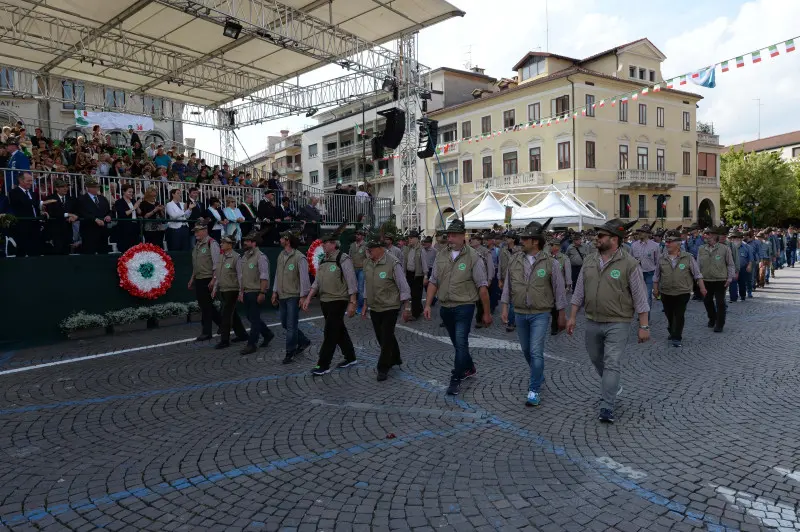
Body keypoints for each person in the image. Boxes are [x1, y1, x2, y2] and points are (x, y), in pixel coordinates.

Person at [567, 218, 649, 424]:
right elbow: (579, 291)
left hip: (618, 322)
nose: (597, 238)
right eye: (597, 235)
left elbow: (640, 297)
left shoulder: (630, 264)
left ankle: (607, 405)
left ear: (614, 239)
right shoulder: (589, 261)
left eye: (601, 236)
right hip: (593, 320)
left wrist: (644, 326)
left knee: (612, 363)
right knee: (596, 358)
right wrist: (572, 316)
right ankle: (611, 385)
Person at [501, 220, 567, 407]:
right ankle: (538, 374)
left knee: (536, 351)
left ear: (535, 241)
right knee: (526, 351)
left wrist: (562, 314)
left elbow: (559, 290)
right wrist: (505, 306)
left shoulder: (550, 263)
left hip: (541, 313)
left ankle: (534, 389)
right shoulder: (515, 260)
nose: (521, 241)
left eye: (525, 238)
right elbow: (508, 285)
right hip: (520, 312)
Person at [424, 218, 491, 396]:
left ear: (464, 236)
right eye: (449, 235)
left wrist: (486, 312)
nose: (450, 239)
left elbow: (482, 287)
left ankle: (456, 378)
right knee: (457, 344)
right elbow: (433, 281)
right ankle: (469, 367)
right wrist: (428, 304)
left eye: (454, 235)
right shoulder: (441, 255)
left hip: (464, 306)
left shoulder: (473, 257)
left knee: (461, 342)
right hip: (445, 307)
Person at [302, 231, 358, 375]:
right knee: (339, 330)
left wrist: (352, 301)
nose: (323, 246)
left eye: (325, 243)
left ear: (333, 244)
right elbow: (317, 282)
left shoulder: (343, 258)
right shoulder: (323, 260)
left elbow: (351, 281)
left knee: (330, 332)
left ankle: (323, 364)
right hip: (325, 300)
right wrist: (308, 298)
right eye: (322, 243)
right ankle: (351, 357)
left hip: (338, 300)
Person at [362, 230, 411, 381]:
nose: (368, 252)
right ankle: (395, 356)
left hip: (390, 306)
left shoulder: (393, 262)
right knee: (381, 336)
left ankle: (383, 367)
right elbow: (367, 284)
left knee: (386, 335)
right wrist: (364, 303)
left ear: (380, 248)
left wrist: (407, 307)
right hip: (375, 306)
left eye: (371, 249)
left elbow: (403, 286)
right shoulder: (367, 262)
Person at [652, 230, 705, 347]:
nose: (667, 244)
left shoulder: (688, 257)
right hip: (666, 291)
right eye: (666, 242)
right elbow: (656, 276)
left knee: (679, 314)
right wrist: (655, 289)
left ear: (678, 243)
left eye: (670, 242)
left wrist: (702, 288)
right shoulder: (661, 258)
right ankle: (672, 328)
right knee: (669, 314)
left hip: (683, 291)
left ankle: (677, 336)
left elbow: (697, 274)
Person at [272, 229, 312, 364]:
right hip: (282, 295)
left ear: (287, 240)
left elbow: (304, 279)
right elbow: (277, 274)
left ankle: (290, 352)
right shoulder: (281, 255)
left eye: (282, 238)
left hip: (294, 296)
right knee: (285, 323)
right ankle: (304, 341)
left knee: (291, 325)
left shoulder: (299, 257)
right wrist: (274, 291)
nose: (280, 240)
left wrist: (303, 296)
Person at [237, 230, 275, 355]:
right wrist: (241, 291)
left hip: (256, 291)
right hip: (247, 291)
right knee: (250, 316)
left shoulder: (261, 257)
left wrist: (262, 293)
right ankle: (268, 334)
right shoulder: (244, 256)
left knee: (254, 318)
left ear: (254, 243)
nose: (245, 243)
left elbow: (264, 276)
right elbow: (242, 276)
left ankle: (252, 344)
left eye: (247, 241)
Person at [210, 236, 249, 348]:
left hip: (232, 289)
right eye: (221, 242)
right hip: (223, 288)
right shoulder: (221, 257)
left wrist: (241, 291)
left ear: (230, 245)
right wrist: (215, 288)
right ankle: (242, 334)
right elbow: (217, 274)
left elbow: (240, 275)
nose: (221, 244)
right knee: (232, 313)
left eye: (223, 242)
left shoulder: (237, 257)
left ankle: (224, 340)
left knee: (226, 314)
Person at [188, 222, 222, 341]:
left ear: (205, 230)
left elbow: (216, 263)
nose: (196, 233)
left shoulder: (211, 243)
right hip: (199, 278)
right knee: (206, 305)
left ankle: (207, 332)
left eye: (198, 231)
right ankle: (223, 324)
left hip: (208, 278)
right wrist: (192, 278)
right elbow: (196, 264)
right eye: (195, 231)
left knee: (206, 306)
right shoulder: (197, 245)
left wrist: (214, 279)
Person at [698, 226, 735, 333]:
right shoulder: (701, 249)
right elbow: (698, 265)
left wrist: (729, 278)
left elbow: (730, 264)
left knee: (720, 303)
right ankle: (712, 318)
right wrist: (698, 279)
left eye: (708, 234)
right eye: (705, 234)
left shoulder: (724, 249)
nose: (706, 236)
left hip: (720, 280)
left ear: (714, 236)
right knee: (707, 301)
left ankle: (720, 324)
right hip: (706, 280)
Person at [629, 223, 660, 318]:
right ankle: (640, 313)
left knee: (647, 296)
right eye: (639, 232)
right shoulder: (634, 245)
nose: (640, 234)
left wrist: (657, 276)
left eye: (642, 232)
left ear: (647, 234)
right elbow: (630, 259)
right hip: (638, 273)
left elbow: (658, 261)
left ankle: (645, 316)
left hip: (650, 273)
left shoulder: (655, 246)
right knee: (638, 296)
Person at [8, 172, 42, 256]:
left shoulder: (32, 193)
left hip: (35, 226)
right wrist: (40, 202)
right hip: (22, 226)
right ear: (20, 180)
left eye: (31, 181)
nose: (31, 183)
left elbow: (34, 207)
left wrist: (41, 211)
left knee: (35, 250)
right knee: (22, 251)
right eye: (28, 181)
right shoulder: (14, 192)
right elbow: (24, 203)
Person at [77, 177, 112, 254]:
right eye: (94, 187)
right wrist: (94, 219)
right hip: (89, 232)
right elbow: (82, 212)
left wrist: (109, 216)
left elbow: (109, 211)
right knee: (89, 254)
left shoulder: (102, 198)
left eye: (97, 186)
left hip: (102, 232)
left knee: (103, 254)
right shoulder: (82, 199)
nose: (97, 188)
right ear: (88, 188)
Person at [42, 178, 76, 255]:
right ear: (57, 188)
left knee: (66, 254)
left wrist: (74, 216)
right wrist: (67, 214)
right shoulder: (50, 199)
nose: (65, 188)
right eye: (62, 187)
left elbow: (76, 211)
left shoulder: (71, 199)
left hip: (67, 232)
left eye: (66, 186)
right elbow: (52, 213)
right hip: (55, 233)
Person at [469, 233, 495, 329]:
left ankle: (480, 319)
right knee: (477, 301)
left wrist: (489, 279)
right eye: (471, 239)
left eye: (474, 239)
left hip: (483, 279)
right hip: (473, 280)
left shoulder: (485, 251)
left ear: (479, 241)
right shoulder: (470, 251)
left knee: (481, 301)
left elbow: (490, 266)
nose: (471, 241)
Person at [547, 235, 572, 335]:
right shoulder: (547, 258)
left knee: (557, 307)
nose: (549, 247)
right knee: (552, 307)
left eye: (551, 245)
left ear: (557, 247)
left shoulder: (564, 258)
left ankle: (555, 326)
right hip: (548, 286)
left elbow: (568, 272)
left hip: (559, 287)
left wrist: (568, 285)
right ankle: (557, 322)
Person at [402, 230, 425, 320]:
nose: (409, 240)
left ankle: (415, 314)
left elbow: (424, 263)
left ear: (416, 239)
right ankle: (419, 309)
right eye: (409, 238)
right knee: (412, 293)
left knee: (416, 294)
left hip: (418, 274)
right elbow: (405, 261)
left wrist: (426, 275)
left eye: (411, 238)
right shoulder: (407, 248)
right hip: (409, 273)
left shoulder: (421, 249)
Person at [113, 184, 141, 253]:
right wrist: (133, 207)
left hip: (135, 226)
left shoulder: (133, 201)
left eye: (132, 192)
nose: (131, 193)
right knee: (125, 247)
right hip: (125, 227)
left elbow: (139, 212)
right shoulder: (119, 202)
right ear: (124, 192)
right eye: (129, 192)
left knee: (135, 247)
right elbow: (123, 214)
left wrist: (137, 206)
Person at [730, 230, 753, 303]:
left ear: (741, 239)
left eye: (738, 238)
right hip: (732, 268)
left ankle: (742, 296)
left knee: (742, 283)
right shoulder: (728, 247)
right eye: (735, 238)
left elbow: (750, 258)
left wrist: (749, 265)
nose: (737, 240)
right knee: (732, 283)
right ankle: (733, 298)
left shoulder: (747, 247)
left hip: (743, 268)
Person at [349, 229, 368, 314]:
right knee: (354, 288)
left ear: (363, 236)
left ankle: (360, 307)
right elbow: (349, 257)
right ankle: (354, 304)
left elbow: (368, 258)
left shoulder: (365, 246)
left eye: (359, 234)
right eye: (356, 234)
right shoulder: (352, 245)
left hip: (362, 269)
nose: (357, 235)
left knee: (360, 288)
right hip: (353, 269)